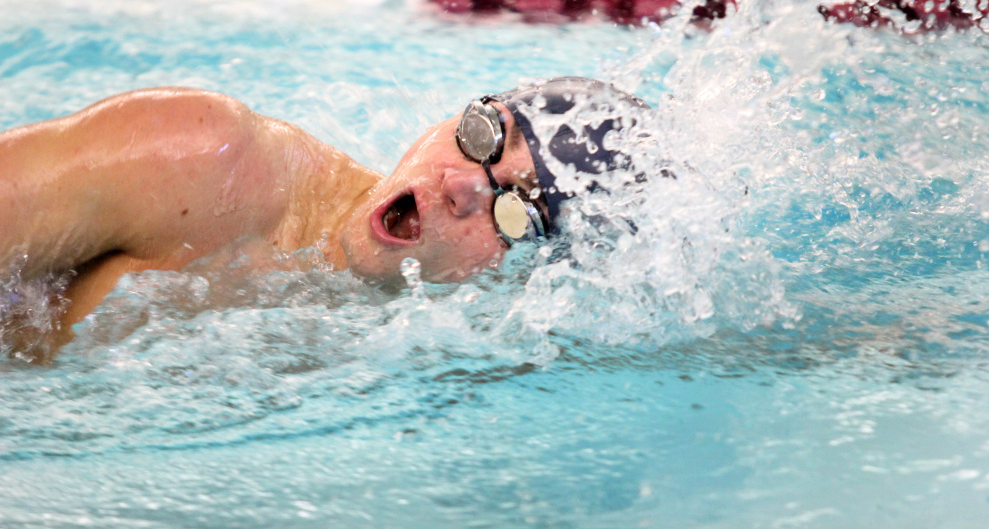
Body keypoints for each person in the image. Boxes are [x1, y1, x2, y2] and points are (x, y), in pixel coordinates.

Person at [0, 77, 650, 359]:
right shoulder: (205, 158)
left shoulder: (455, 358)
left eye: (517, 211)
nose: (460, 186)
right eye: (484, 135)